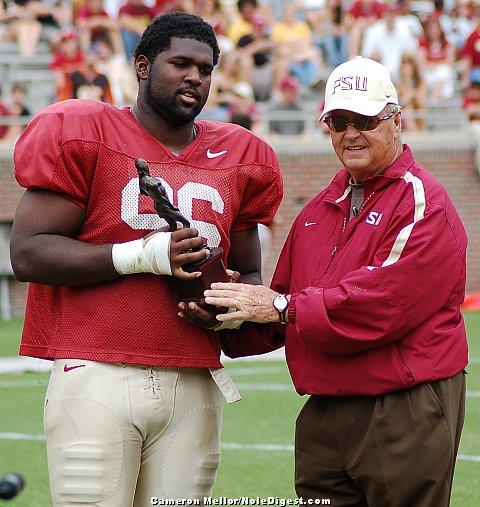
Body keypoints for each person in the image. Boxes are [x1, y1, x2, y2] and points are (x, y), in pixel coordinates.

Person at [10, 12, 283, 505]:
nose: (194, 77)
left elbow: (251, 275)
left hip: (195, 378)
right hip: (96, 371)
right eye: (180, 63)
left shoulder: (242, 154)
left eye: (205, 69)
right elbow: (29, 251)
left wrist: (225, 310)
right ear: (141, 65)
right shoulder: (86, 131)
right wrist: (146, 255)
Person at [201, 57, 468, 505]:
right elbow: (282, 305)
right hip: (325, 408)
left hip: (402, 404)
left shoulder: (424, 203)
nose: (350, 133)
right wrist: (227, 312)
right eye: (339, 120)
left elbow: (379, 304)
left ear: (396, 121)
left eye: (364, 119)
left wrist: (279, 307)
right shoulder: (318, 211)